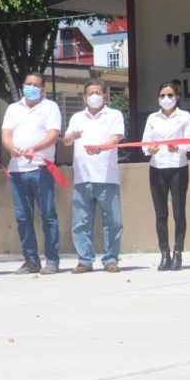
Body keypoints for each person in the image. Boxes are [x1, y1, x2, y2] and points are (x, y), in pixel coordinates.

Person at [1, 72, 62, 275]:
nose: (31, 87)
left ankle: (52, 260)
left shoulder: (50, 107)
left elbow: (53, 134)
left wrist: (34, 148)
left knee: (48, 216)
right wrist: (13, 147)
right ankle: (31, 261)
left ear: (43, 89)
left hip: (41, 169)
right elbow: (6, 135)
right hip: (17, 171)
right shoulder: (13, 108)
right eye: (28, 84)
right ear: (22, 86)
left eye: (36, 85)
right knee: (22, 217)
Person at [63, 79, 125, 274]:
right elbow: (66, 141)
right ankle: (85, 260)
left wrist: (101, 148)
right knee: (80, 222)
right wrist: (71, 137)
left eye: (98, 92)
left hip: (107, 177)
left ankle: (111, 259)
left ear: (105, 96)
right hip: (82, 178)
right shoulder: (76, 118)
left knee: (113, 221)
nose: (94, 96)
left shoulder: (114, 115)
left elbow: (117, 137)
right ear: (84, 97)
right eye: (90, 93)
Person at [142, 82, 190, 271]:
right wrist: (149, 148)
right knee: (160, 214)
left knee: (179, 213)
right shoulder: (152, 118)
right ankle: (164, 253)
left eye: (170, 95)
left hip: (178, 168)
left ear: (177, 97)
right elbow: (144, 143)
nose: (166, 99)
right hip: (157, 167)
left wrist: (178, 147)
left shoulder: (185, 116)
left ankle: (178, 253)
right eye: (163, 95)